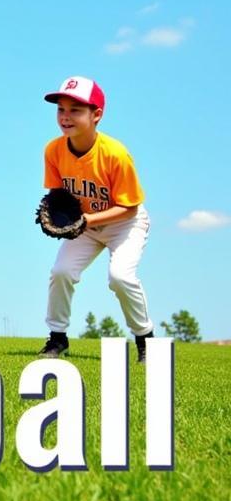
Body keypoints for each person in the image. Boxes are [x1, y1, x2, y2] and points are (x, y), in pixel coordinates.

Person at [37, 77, 154, 362]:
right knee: (61, 271)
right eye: (61, 109)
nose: (65, 116)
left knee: (120, 277)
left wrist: (86, 220)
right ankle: (57, 338)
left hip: (124, 223)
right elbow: (58, 193)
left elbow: (129, 207)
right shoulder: (53, 149)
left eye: (75, 110)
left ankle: (145, 339)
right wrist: (56, 211)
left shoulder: (115, 154)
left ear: (96, 114)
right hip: (86, 226)